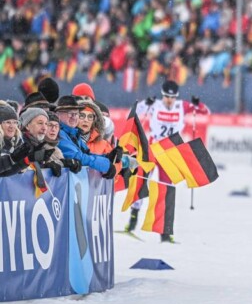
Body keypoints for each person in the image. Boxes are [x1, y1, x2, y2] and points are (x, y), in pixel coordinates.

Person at [127, 79, 210, 242]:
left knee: (166, 189)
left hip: (170, 152)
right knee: (141, 182)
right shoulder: (155, 104)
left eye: (172, 97)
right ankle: (132, 221)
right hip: (152, 148)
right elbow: (134, 111)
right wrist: (145, 103)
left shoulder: (183, 106)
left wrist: (198, 104)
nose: (169, 100)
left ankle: (164, 233)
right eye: (166, 96)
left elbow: (205, 111)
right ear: (162, 95)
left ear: (176, 96)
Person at [55, 95, 119, 178]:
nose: (74, 117)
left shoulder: (74, 134)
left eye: (77, 114)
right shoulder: (58, 133)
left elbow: (86, 153)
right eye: (70, 113)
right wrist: (106, 164)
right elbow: (77, 157)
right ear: (58, 115)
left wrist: (107, 157)